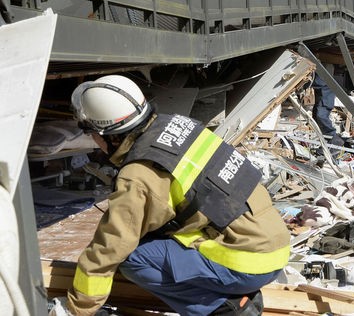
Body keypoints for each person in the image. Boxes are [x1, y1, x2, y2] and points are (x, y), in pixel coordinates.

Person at [53, 75, 290, 315]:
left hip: (247, 263)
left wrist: (77, 309)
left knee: (133, 258)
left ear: (107, 134)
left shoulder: (138, 174)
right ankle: (232, 290)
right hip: (274, 244)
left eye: (91, 132)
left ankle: (223, 308)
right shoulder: (177, 126)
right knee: (150, 237)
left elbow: (110, 247)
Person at [311, 63, 345, 156]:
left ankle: (334, 139)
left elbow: (318, 82)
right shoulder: (323, 67)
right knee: (316, 117)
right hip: (323, 94)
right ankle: (327, 142)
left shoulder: (325, 68)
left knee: (320, 116)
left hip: (326, 95)